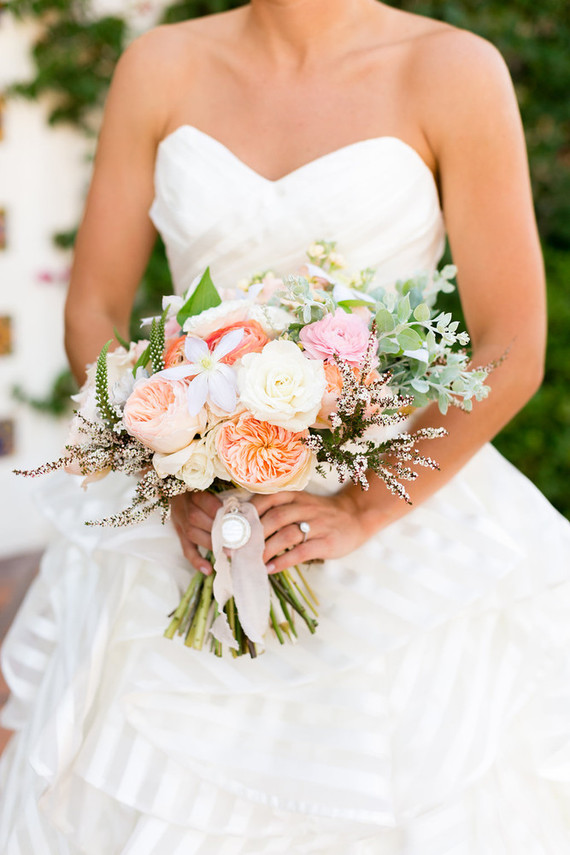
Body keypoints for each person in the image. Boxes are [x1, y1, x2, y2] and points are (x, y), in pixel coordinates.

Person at [1, 1, 570, 852]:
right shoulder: (159, 65)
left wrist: (365, 509)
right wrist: (170, 473)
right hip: (187, 512)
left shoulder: (453, 70)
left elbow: (512, 345)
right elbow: (93, 308)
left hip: (396, 518)